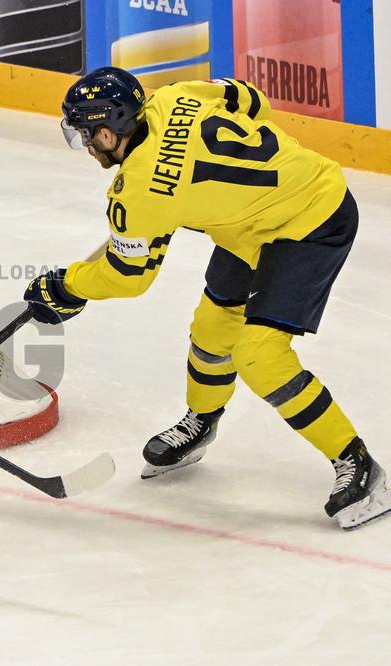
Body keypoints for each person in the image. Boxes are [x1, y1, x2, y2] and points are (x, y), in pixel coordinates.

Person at [23, 66, 391, 530]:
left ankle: (358, 463)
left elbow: (128, 277)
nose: (86, 146)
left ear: (108, 129)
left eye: (85, 135)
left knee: (260, 356)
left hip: (311, 223)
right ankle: (202, 421)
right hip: (248, 225)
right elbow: (251, 99)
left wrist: (65, 287)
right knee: (212, 330)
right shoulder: (177, 95)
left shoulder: (138, 191)